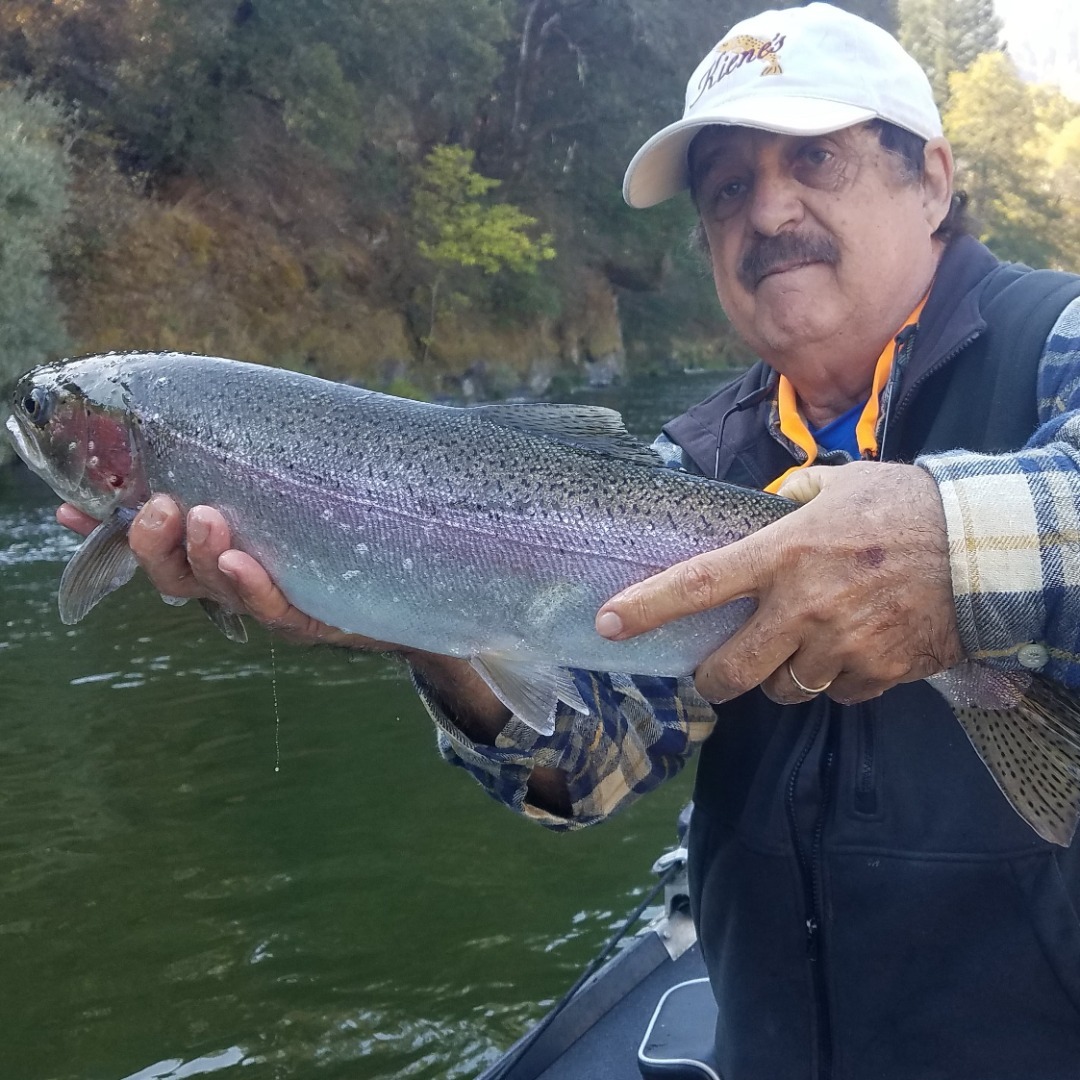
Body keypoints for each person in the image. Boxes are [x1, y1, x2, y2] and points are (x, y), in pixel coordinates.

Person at [58, 4, 1080, 1076]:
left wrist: (946, 549)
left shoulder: (1055, 333)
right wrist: (402, 609)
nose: (767, 209)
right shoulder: (691, 463)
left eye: (814, 157)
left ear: (933, 177)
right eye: (726, 187)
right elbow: (591, 765)